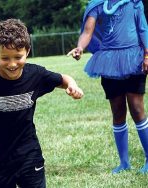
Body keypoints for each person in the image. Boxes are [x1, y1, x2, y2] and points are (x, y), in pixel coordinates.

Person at [0, 19, 84, 188]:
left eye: (18, 57)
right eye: (5, 58)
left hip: (29, 154)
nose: (12, 64)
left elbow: (63, 79)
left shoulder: (35, 74)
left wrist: (72, 85)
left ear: (27, 51)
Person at [67, 0, 148, 174]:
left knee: (136, 108)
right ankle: (124, 163)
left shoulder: (135, 3)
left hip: (134, 58)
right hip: (109, 62)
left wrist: (147, 54)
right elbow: (88, 31)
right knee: (117, 111)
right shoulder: (97, 5)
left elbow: (143, 29)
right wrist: (80, 48)